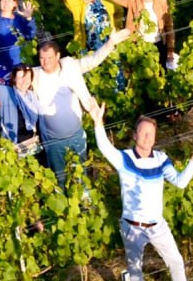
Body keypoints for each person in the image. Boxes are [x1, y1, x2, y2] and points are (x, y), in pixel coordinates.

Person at [91, 102, 193, 281]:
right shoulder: (124, 159)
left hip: (157, 226)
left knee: (176, 260)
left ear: (155, 138)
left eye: (151, 133)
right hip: (132, 227)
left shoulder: (161, 159)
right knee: (135, 268)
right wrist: (98, 123)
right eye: (143, 132)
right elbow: (105, 147)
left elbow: (180, 182)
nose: (147, 137)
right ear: (135, 135)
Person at [31, 30, 129, 184]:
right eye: (42, 58)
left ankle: (84, 198)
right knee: (59, 178)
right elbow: (16, 85)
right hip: (53, 141)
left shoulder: (70, 66)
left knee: (81, 175)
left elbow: (92, 60)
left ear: (58, 56)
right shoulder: (34, 75)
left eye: (49, 57)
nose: (46, 62)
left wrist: (110, 43)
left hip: (76, 135)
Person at [105, 0, 177, 70]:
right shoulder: (133, 1)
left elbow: (169, 27)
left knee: (161, 72)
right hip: (141, 46)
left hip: (160, 45)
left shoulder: (161, 2)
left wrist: (170, 50)